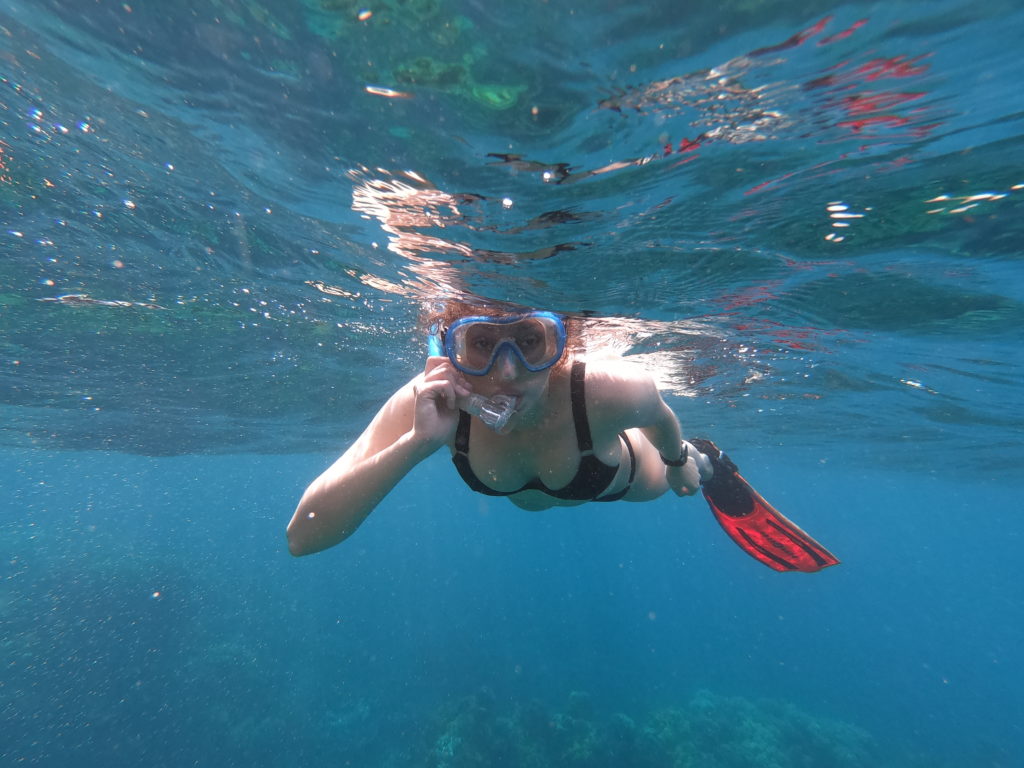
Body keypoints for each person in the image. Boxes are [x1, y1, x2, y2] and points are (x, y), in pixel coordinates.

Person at [287, 303, 838, 572]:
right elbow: (302, 538)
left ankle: (712, 463)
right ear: (446, 351)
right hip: (549, 479)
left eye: (530, 340)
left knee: (686, 471)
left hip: (620, 477)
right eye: (480, 343)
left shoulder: (609, 391)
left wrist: (675, 464)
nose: (507, 372)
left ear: (564, 344)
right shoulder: (431, 405)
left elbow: (662, 418)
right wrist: (417, 444)